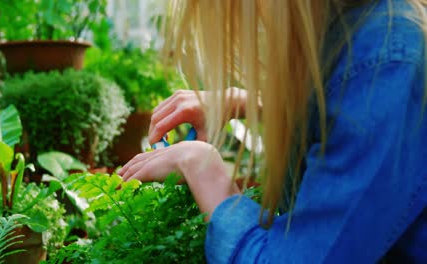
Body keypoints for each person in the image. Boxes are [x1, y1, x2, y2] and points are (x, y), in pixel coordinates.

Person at [118, 0, 427, 262]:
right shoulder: (364, 31)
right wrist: (250, 102)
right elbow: (346, 115)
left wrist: (203, 169)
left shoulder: (385, 63)